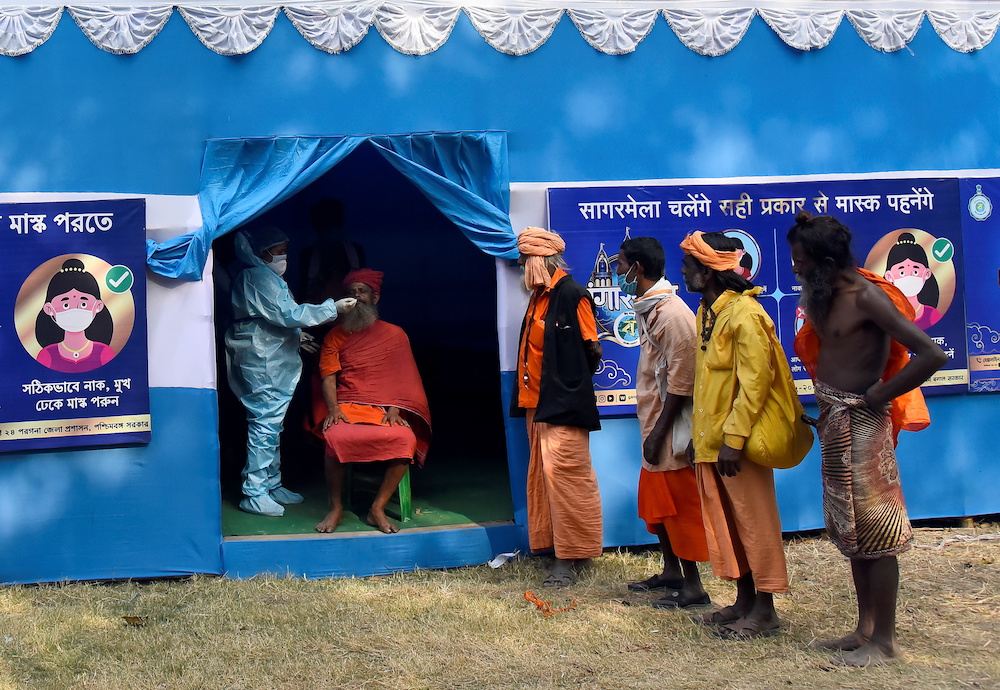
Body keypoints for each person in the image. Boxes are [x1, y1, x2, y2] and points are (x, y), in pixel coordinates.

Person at [789, 212, 947, 667]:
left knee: (876, 531)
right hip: (835, 421)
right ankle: (865, 629)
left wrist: (879, 395)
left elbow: (931, 354)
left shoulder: (866, 296)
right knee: (851, 528)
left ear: (825, 261)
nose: (795, 268)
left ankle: (886, 642)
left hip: (863, 423)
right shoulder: (825, 296)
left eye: (800, 260)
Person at [679, 231, 792, 639]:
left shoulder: (746, 313)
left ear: (708, 271)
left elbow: (755, 383)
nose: (682, 272)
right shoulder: (706, 313)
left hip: (736, 446)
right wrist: (699, 437)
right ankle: (744, 601)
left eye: (688, 265)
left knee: (754, 524)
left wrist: (734, 439)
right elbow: (707, 382)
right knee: (728, 526)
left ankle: (766, 610)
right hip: (711, 443)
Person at [225, 226, 355, 517]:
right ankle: (254, 491)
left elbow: (271, 317)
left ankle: (271, 484)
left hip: (268, 354)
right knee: (264, 424)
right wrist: (332, 308)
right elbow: (288, 314)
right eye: (279, 252)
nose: (284, 257)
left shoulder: (263, 276)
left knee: (272, 424)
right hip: (263, 359)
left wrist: (297, 335)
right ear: (263, 252)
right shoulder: (259, 276)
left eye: (285, 252)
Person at [617, 237, 711, 609]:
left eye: (620, 265)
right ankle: (672, 572)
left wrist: (659, 433)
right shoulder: (651, 308)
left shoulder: (672, 314)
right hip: (654, 422)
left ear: (637, 268)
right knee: (658, 505)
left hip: (670, 428)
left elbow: (683, 380)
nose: (617, 272)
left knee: (678, 508)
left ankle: (694, 587)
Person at [510, 227, 603, 588]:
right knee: (544, 478)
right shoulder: (538, 296)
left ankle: (570, 557)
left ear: (540, 260)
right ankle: (558, 549)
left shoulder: (572, 294)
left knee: (567, 478)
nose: (522, 268)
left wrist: (568, 388)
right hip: (537, 405)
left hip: (562, 404)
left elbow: (591, 349)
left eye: (524, 262)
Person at [312, 269, 431, 535]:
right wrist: (334, 409)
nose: (357, 297)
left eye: (362, 291)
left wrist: (395, 409)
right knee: (336, 436)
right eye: (351, 293)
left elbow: (403, 376)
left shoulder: (395, 334)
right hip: (347, 406)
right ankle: (335, 508)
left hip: (385, 408)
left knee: (405, 439)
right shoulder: (334, 336)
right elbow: (328, 378)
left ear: (375, 297)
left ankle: (377, 508)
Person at [35, 258, 116, 373]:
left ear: (98, 306)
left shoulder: (104, 353)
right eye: (66, 305)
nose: (75, 310)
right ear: (49, 309)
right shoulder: (46, 355)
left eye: (83, 304)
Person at [882, 232, 942, 330]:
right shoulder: (885, 313)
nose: (909, 277)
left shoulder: (932, 314)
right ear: (889, 276)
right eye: (902, 272)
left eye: (915, 271)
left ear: (926, 274)